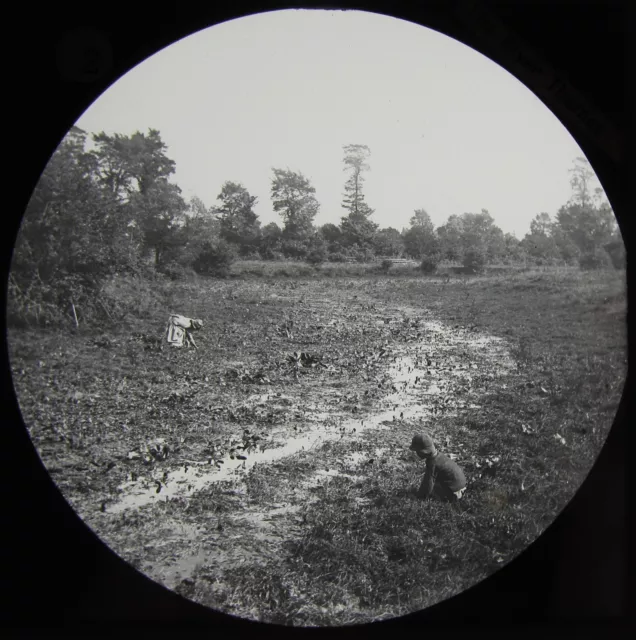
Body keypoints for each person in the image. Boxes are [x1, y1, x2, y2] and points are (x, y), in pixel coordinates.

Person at [409, 432, 466, 502]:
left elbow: (427, 484)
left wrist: (420, 497)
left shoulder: (433, 463)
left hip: (454, 493)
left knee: (434, 488)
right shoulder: (439, 456)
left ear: (423, 452)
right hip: (461, 488)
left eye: (417, 451)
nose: (416, 453)